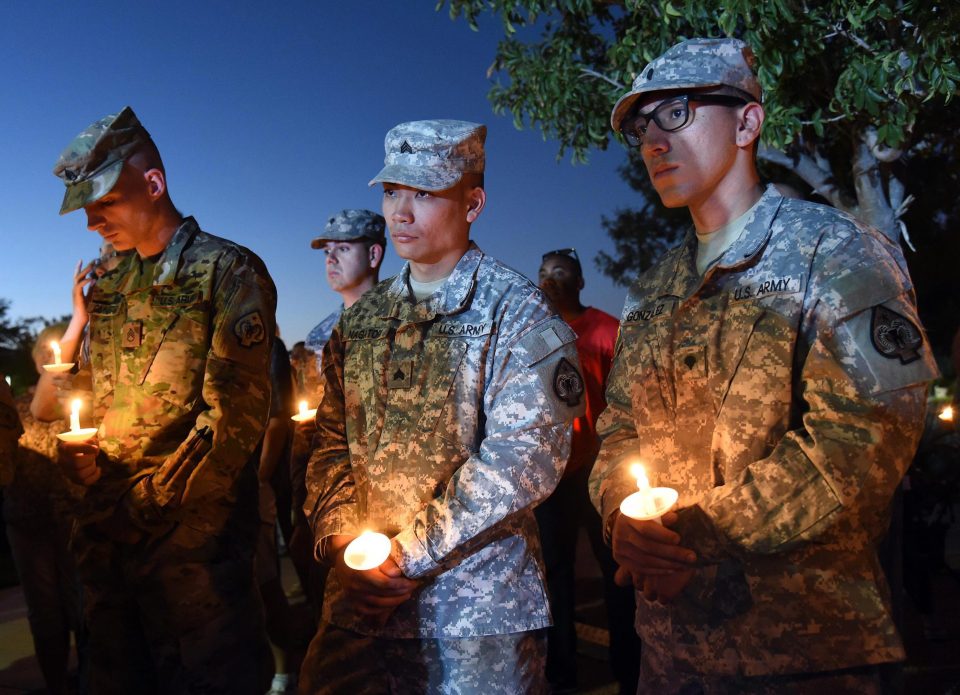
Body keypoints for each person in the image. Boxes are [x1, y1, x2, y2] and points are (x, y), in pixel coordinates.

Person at [591, 38, 939, 693]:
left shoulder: (834, 252)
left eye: (677, 114)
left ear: (748, 122)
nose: (652, 142)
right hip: (669, 648)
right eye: (642, 126)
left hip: (799, 650)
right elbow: (618, 427)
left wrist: (692, 535)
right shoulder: (654, 286)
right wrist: (623, 520)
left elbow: (868, 434)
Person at [300, 119, 585, 694]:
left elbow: (524, 459)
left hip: (475, 615)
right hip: (361, 607)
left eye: (424, 193)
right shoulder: (361, 322)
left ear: (473, 202)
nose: (400, 212)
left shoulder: (518, 312)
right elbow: (329, 442)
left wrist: (403, 557)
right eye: (391, 192)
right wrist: (338, 542)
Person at [51, 106, 276, 694]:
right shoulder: (110, 279)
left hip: (190, 553)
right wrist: (82, 455)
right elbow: (97, 392)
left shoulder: (226, 271)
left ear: (154, 184)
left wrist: (145, 503)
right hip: (110, 545)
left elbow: (233, 421)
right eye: (87, 209)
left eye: (106, 203)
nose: (94, 223)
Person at [536, 248, 639, 694]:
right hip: (552, 475)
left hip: (599, 469)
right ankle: (562, 671)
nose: (549, 279)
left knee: (616, 568)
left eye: (560, 273)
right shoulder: (533, 335)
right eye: (543, 273)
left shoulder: (606, 331)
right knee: (553, 577)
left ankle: (629, 667)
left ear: (580, 282)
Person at [289, 210, 388, 618]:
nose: (330, 260)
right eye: (327, 252)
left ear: (374, 254)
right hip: (321, 469)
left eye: (343, 249)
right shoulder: (319, 334)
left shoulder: (399, 322)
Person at [3, 325, 88, 695]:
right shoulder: (19, 406)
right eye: (42, 351)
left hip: (75, 521)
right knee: (44, 611)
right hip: (27, 523)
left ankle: (90, 680)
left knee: (83, 605)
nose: (49, 358)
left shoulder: (79, 405)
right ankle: (56, 684)